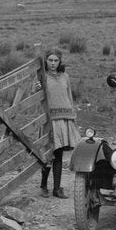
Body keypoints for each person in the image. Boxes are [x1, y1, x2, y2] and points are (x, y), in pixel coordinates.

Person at [39, 49, 79, 199]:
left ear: (60, 62)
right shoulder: (42, 77)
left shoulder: (65, 77)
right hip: (50, 120)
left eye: (56, 61)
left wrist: (73, 116)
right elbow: (35, 95)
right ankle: (43, 186)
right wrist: (36, 87)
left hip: (64, 118)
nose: (53, 64)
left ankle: (57, 188)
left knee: (59, 154)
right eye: (50, 60)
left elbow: (69, 97)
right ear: (46, 61)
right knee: (48, 154)